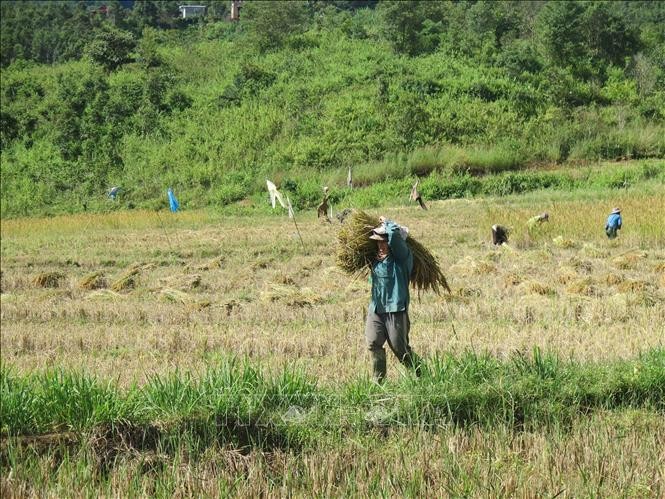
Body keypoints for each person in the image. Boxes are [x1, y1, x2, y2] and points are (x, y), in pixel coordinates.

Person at [365, 216, 421, 382]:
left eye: (384, 242)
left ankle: (420, 374)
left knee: (399, 348)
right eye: (378, 242)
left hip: (396, 310)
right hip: (376, 309)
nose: (381, 245)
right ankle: (378, 382)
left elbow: (395, 236)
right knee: (373, 343)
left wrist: (387, 222)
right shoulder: (376, 261)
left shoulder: (402, 258)